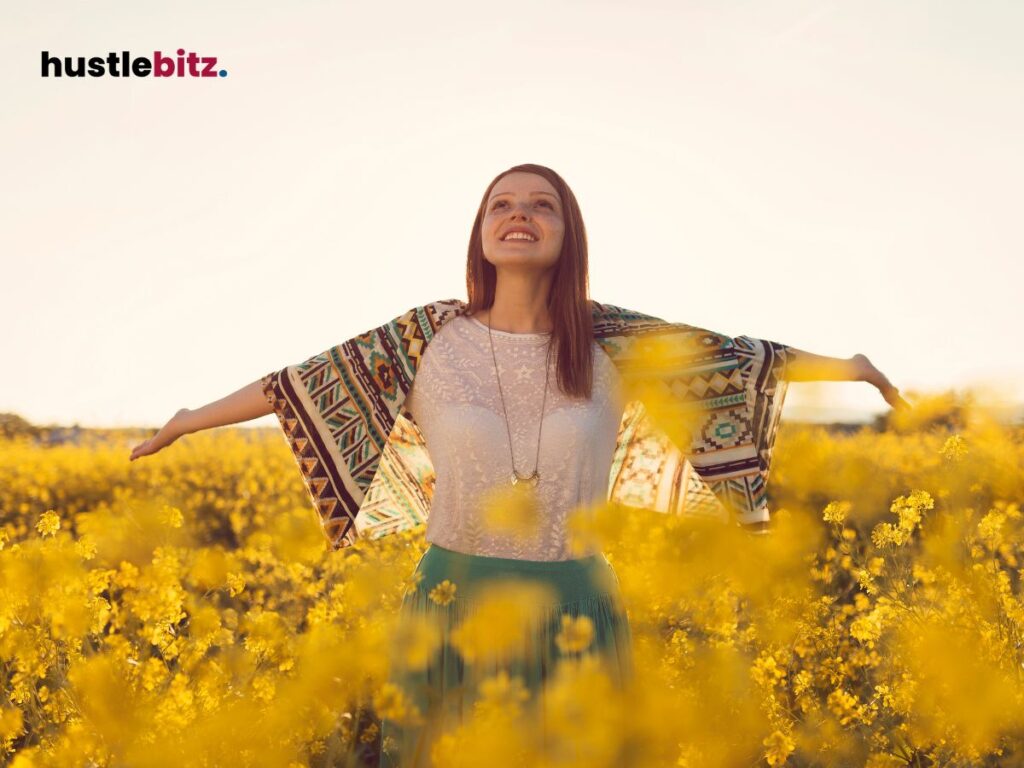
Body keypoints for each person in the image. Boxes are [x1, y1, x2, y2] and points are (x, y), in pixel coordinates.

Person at [129, 164, 909, 766]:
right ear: (480, 234)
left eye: (541, 205)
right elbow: (300, 385)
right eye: (501, 204)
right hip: (450, 609)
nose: (519, 215)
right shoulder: (425, 338)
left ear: (569, 234)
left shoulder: (613, 345)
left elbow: (738, 358)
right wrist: (191, 419)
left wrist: (849, 368)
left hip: (578, 608)